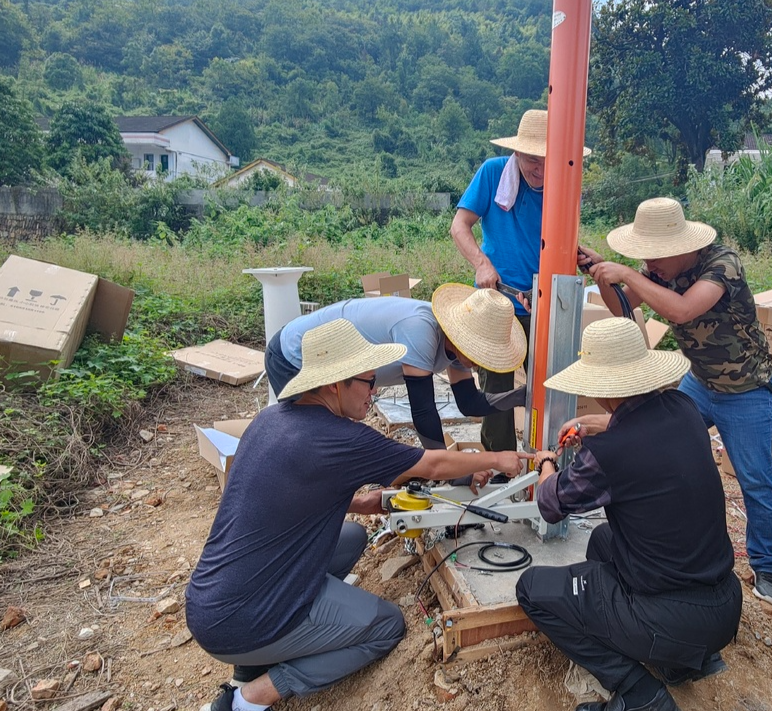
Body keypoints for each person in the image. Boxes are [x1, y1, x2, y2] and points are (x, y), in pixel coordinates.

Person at [187, 319, 531, 711]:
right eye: (368, 383)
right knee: (386, 626)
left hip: (210, 600)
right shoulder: (343, 438)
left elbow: (273, 491)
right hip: (245, 621)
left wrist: (361, 503)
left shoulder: (270, 420)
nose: (374, 392)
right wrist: (501, 457)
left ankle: (267, 651)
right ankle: (250, 697)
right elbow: (431, 465)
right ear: (336, 385)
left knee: (351, 536)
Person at [517, 318, 742, 711]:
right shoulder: (684, 408)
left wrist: (546, 463)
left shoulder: (609, 456)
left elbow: (551, 505)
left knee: (532, 590)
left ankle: (640, 693)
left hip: (671, 618)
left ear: (601, 388)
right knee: (603, 540)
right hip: (724, 606)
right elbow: (641, 426)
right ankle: (677, 662)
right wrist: (596, 425)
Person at [578, 197, 772, 606]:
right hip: (700, 382)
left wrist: (628, 276)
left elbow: (685, 310)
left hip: (745, 390)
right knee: (656, 438)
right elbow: (622, 308)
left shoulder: (722, 265)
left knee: (756, 480)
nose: (649, 265)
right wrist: (604, 273)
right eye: (644, 259)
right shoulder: (658, 270)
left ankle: (766, 566)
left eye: (654, 257)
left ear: (679, 246)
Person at [450, 108, 590, 452]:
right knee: (496, 388)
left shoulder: (564, 182)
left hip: (543, 301)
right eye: (531, 160)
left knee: (552, 383)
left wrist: (578, 254)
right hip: (497, 301)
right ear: (516, 152)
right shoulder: (493, 173)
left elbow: (557, 239)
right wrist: (482, 265)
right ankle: (499, 465)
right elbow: (459, 226)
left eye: (547, 159)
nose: (539, 169)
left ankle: (550, 456)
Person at [264, 286, 527, 450]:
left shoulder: (456, 348)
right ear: (461, 337)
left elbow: (469, 402)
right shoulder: (421, 329)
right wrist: (447, 470)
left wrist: (519, 397)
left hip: (331, 362)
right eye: (477, 351)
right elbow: (423, 411)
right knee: (309, 438)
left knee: (326, 436)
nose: (479, 360)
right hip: (295, 354)